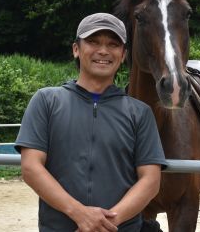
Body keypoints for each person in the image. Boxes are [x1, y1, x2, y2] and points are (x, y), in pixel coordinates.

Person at [15, 13, 167, 232]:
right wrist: (79, 213)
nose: (103, 51)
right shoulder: (46, 101)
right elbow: (30, 167)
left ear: (123, 54)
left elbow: (150, 180)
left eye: (113, 44)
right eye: (93, 42)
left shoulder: (140, 113)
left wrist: (106, 223)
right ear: (76, 49)